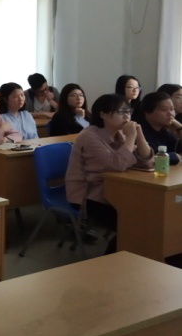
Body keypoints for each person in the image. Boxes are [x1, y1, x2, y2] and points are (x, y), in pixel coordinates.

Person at [65, 94, 153, 254]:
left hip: (114, 190)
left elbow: (146, 162)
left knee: (148, 214)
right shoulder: (89, 136)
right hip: (88, 196)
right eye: (121, 112)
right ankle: (113, 259)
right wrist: (131, 137)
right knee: (131, 224)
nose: (126, 116)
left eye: (128, 111)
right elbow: (118, 164)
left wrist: (139, 136)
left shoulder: (119, 133)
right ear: (103, 114)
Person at [137, 92, 182, 164]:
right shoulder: (139, 130)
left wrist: (179, 127)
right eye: (164, 109)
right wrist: (173, 156)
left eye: (172, 109)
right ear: (148, 112)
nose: (170, 113)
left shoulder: (165, 132)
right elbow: (148, 158)